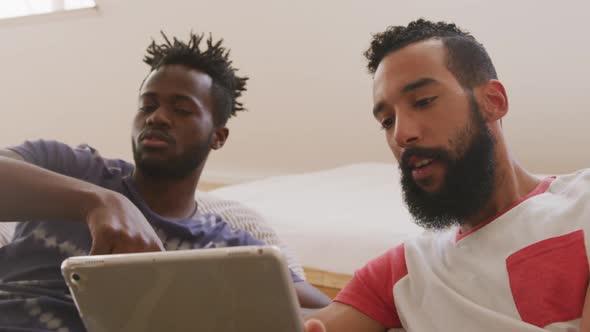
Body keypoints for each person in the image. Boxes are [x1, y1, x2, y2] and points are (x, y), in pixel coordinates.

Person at [0, 32, 329, 331]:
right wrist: (96, 201)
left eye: (182, 109)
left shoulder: (232, 249)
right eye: (148, 105)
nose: (156, 117)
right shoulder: (72, 169)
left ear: (218, 136)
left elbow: (329, 310)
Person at [303, 19, 590, 331]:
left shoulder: (583, 204)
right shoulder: (405, 270)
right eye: (387, 121)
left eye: (423, 102)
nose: (401, 134)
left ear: (492, 102)